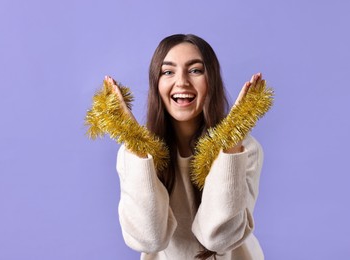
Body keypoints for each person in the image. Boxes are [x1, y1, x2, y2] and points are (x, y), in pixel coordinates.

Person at [107, 34, 265, 260]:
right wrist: (135, 142)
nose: (181, 82)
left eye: (195, 70)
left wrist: (231, 141)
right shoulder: (132, 155)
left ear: (212, 81)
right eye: (168, 72)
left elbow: (219, 239)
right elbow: (147, 238)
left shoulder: (245, 150)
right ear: (156, 83)